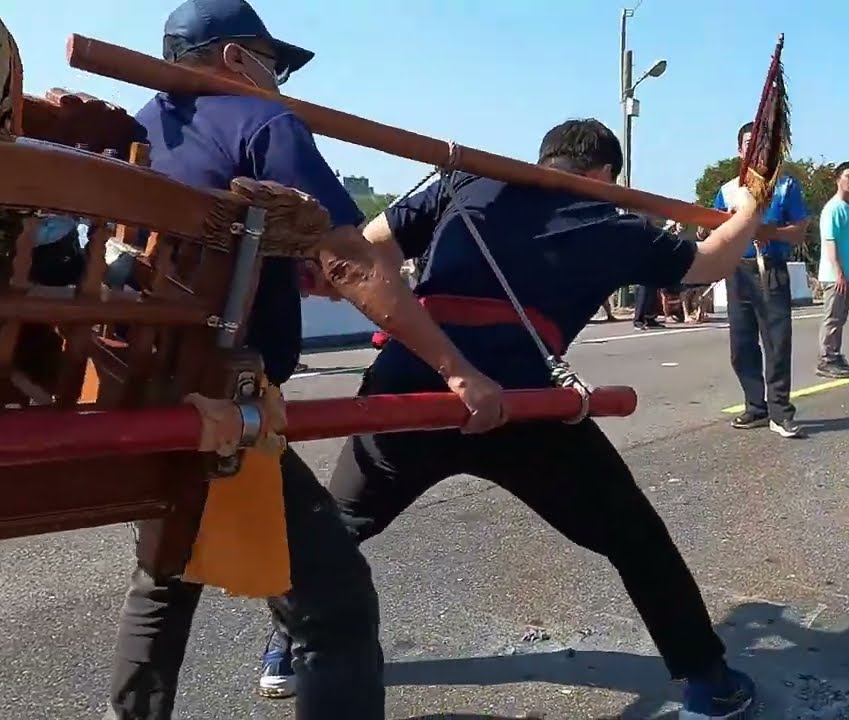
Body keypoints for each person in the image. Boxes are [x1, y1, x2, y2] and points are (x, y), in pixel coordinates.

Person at [253, 118, 767, 719]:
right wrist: (749, 205)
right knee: (636, 541)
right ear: (604, 175)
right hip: (522, 399)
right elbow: (709, 261)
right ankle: (708, 684)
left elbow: (371, 249)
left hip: (413, 381)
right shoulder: (611, 220)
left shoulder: (466, 182)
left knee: (332, 529)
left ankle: (287, 644)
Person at [104, 2, 507, 719]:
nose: (279, 81)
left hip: (137, 385)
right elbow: (352, 262)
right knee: (336, 608)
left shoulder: (135, 130)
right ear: (235, 58)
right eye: (275, 63)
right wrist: (456, 368)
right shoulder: (261, 120)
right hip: (222, 396)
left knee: (166, 575)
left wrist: (283, 263)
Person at [700, 122, 810, 438]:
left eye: (760, 143)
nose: (754, 149)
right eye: (748, 143)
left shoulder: (785, 186)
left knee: (776, 343)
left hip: (770, 268)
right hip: (737, 270)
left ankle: (780, 412)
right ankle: (755, 407)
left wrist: (766, 231)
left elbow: (799, 231)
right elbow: (714, 227)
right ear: (739, 150)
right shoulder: (728, 189)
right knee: (741, 344)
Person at [815, 161, 849, 378]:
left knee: (840, 318)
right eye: (848, 176)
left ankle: (835, 354)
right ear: (838, 179)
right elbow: (830, 242)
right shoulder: (832, 209)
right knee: (832, 318)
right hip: (835, 276)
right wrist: (839, 272)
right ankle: (826, 359)